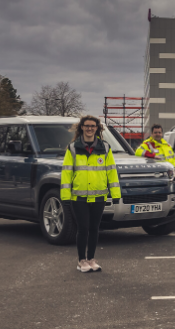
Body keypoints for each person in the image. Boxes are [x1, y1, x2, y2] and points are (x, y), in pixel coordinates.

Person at [61, 115, 121, 273]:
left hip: (99, 196)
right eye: (86, 126)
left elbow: (112, 173)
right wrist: (65, 197)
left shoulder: (105, 148)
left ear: (97, 128)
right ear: (81, 127)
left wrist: (116, 194)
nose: (89, 129)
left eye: (92, 126)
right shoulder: (73, 148)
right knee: (83, 228)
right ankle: (82, 261)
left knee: (94, 228)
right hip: (78, 197)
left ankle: (92, 259)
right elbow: (66, 173)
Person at [135, 124, 175, 231]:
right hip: (158, 179)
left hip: (172, 178)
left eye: (159, 132)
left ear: (162, 133)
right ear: (152, 133)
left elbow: (174, 160)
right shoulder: (148, 144)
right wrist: (152, 155)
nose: (157, 134)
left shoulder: (167, 145)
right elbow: (138, 152)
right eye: (155, 132)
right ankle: (172, 222)